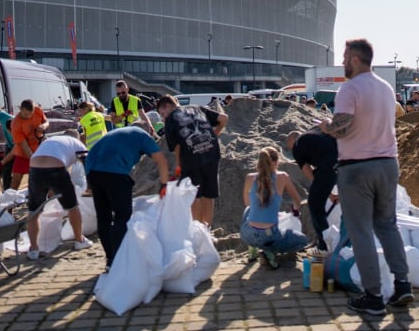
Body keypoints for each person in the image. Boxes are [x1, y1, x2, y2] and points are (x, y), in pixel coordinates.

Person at [320, 38, 413, 315]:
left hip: (357, 169)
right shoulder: (386, 89)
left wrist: (326, 126)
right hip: (388, 164)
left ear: (357, 59)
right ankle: (403, 284)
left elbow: (342, 129)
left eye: (346, 57)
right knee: (388, 226)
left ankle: (373, 295)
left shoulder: (349, 89)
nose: (343, 62)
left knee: (360, 231)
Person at [85, 126, 169, 269]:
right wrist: (164, 185)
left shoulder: (115, 134)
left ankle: (110, 259)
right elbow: (161, 161)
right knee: (122, 215)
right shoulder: (142, 135)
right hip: (116, 174)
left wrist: (90, 185)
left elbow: (90, 155)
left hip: (93, 172)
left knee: (103, 216)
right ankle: (120, 258)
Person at [156, 95, 228, 227]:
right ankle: (206, 228)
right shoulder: (197, 108)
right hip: (212, 153)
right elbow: (224, 118)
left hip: (191, 158)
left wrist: (179, 166)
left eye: (162, 113)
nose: (163, 117)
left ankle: (196, 229)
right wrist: (215, 133)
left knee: (194, 196)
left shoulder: (171, 120)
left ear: (167, 106)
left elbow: (177, 147)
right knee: (209, 194)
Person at [25, 131, 94, 260]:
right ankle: (80, 240)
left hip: (34, 168)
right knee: (72, 207)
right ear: (78, 137)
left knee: (34, 211)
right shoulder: (78, 144)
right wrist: (90, 188)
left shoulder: (51, 140)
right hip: (56, 168)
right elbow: (88, 166)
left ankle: (33, 249)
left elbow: (46, 172)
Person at [240, 146, 308, 269]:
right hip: (269, 236)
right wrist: (295, 210)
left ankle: (253, 248)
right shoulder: (282, 177)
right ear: (276, 162)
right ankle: (269, 250)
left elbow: (247, 202)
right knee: (302, 240)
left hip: (247, 234)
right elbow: (297, 200)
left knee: (248, 210)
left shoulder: (250, 177)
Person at [285, 129, 338, 255]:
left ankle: (323, 246)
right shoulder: (315, 133)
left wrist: (320, 187)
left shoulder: (297, 146)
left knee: (315, 204)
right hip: (343, 162)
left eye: (288, 143)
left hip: (328, 167)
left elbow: (307, 171)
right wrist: (329, 193)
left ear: (292, 139)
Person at [9, 99, 49, 191]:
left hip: (39, 149)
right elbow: (24, 145)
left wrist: (44, 126)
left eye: (31, 114)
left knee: (36, 179)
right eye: (26, 114)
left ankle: (36, 196)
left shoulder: (38, 110)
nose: (29, 116)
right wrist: (34, 160)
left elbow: (46, 121)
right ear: (21, 109)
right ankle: (10, 198)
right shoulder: (16, 124)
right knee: (16, 179)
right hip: (23, 152)